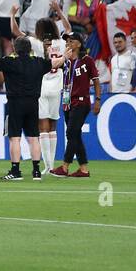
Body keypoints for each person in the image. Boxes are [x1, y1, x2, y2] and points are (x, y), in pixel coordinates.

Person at [0, 37, 65, 180]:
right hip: (33, 104)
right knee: (33, 138)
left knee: (15, 138)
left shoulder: (9, 62)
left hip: (15, 104)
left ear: (14, 48)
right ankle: (36, 171)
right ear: (30, 48)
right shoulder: (38, 62)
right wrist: (65, 56)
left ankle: (15, 171)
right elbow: (56, 62)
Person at [53, 36, 100, 178]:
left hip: (81, 101)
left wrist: (97, 99)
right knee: (76, 135)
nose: (68, 43)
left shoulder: (87, 60)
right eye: (67, 41)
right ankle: (83, 169)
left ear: (79, 44)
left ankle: (65, 166)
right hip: (68, 102)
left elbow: (96, 81)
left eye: (71, 41)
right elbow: (53, 66)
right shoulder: (66, 61)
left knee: (71, 133)